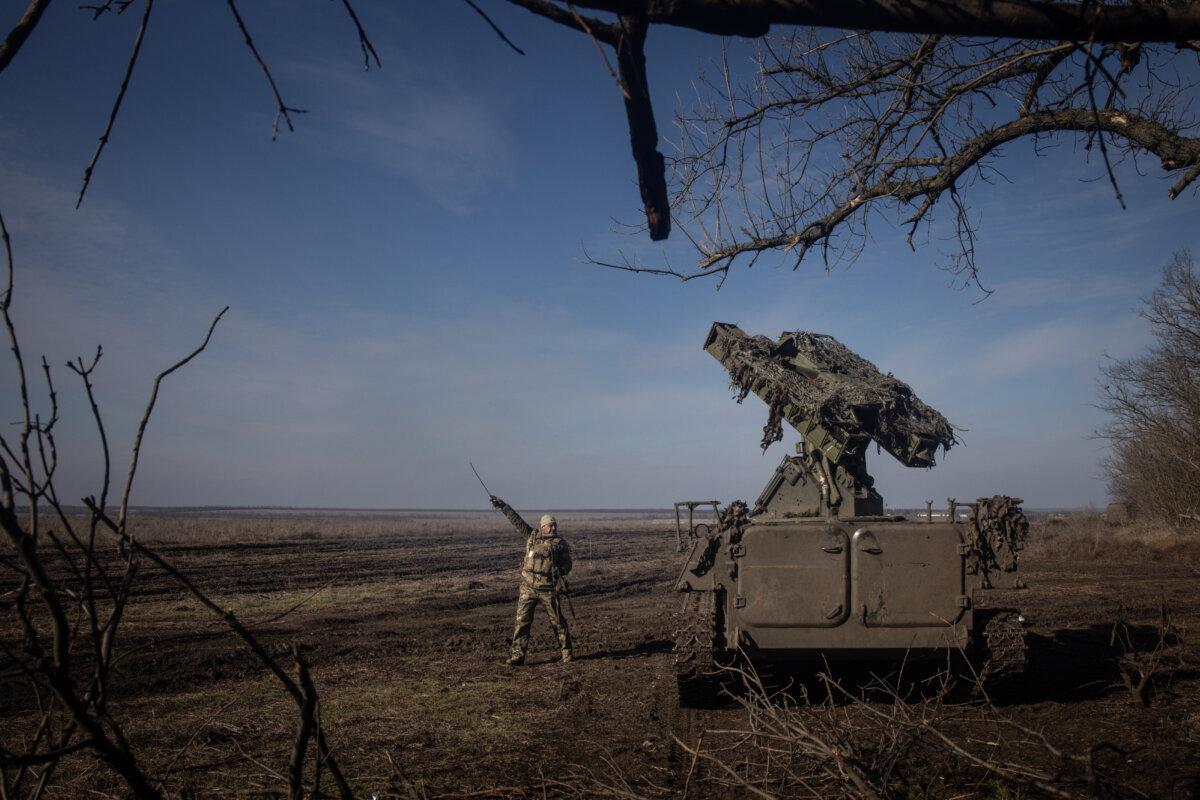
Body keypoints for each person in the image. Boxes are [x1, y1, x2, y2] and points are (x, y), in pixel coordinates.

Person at [490, 495, 573, 665]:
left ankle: (567, 653)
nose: (554, 527)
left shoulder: (560, 544)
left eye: (555, 525)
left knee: (557, 622)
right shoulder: (532, 536)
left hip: (548, 588)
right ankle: (517, 656)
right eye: (550, 525)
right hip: (527, 587)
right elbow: (516, 521)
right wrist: (503, 506)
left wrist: (561, 570)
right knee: (522, 623)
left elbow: (568, 564)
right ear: (543, 526)